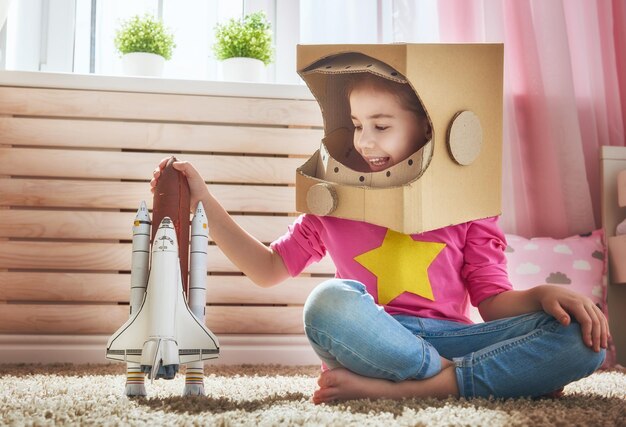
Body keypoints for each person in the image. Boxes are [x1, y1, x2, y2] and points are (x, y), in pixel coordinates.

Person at [150, 72, 608, 404]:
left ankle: (427, 386)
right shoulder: (335, 198)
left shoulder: (467, 201)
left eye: (382, 126)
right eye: (356, 124)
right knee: (327, 301)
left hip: (452, 337)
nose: (365, 140)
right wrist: (202, 202)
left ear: (426, 128)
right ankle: (469, 381)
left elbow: (491, 301)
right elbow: (269, 269)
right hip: (374, 337)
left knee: (585, 339)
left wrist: (544, 294)